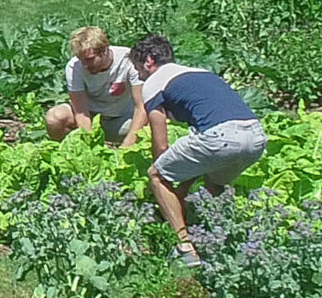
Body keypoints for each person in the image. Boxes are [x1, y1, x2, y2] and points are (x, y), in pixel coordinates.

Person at [130, 34, 267, 268]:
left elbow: (161, 144)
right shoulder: (201, 73)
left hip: (221, 136)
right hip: (255, 137)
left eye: (137, 69)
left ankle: (185, 247)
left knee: (157, 175)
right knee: (213, 183)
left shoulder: (154, 83)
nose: (138, 75)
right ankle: (224, 241)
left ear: (149, 61)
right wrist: (180, 188)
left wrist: (164, 182)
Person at [43, 26, 144, 147]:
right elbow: (81, 112)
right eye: (81, 60)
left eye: (90, 59)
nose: (85, 65)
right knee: (54, 118)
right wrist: (90, 145)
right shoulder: (74, 67)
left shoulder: (129, 60)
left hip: (120, 118)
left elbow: (141, 107)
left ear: (105, 50)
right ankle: (65, 152)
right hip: (90, 116)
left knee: (150, 125)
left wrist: (127, 146)